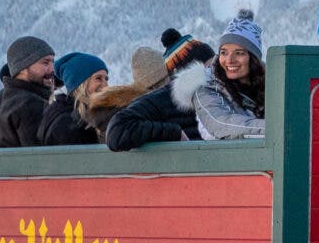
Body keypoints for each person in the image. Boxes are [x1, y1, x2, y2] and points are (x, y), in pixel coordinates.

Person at [104, 33, 218, 151]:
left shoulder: (215, 95)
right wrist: (174, 133)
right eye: (209, 67)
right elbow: (117, 130)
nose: (216, 72)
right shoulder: (162, 100)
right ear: (189, 72)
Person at [0, 35, 55, 148]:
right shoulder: (31, 104)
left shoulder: (0, 101)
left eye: (53, 62)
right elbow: (42, 157)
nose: (52, 70)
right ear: (23, 67)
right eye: (45, 63)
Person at [194, 10, 266, 140]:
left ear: (253, 58)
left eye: (239, 53)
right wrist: (278, 129)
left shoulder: (273, 82)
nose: (229, 60)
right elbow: (222, 124)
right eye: (224, 52)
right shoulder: (206, 87)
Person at [38, 52, 109, 146]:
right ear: (80, 84)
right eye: (98, 78)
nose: (105, 85)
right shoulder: (69, 123)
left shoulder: (70, 113)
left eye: (106, 79)